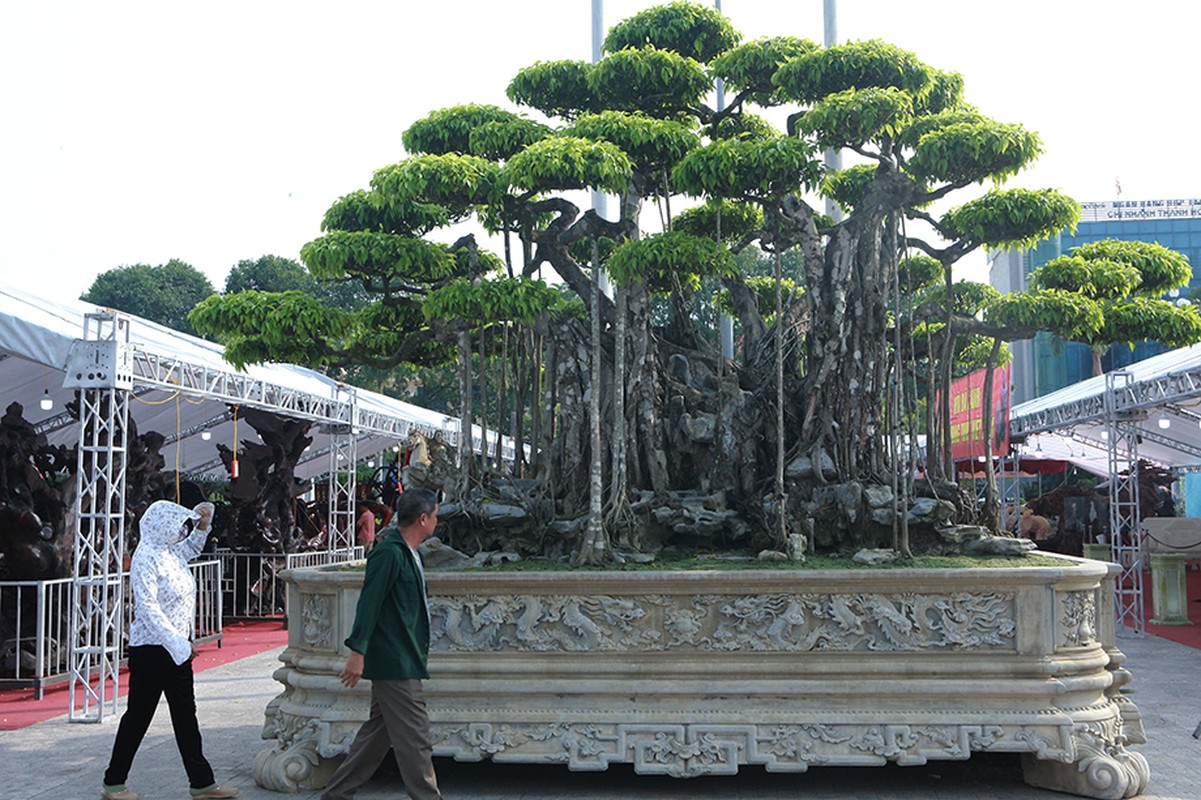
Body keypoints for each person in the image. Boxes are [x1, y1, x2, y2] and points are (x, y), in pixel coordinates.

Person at [100, 500, 239, 800]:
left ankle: (202, 782)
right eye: (179, 526)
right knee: (139, 716)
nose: (183, 532)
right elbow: (148, 608)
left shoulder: (171, 551)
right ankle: (113, 781)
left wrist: (203, 525)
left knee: (186, 715)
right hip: (152, 649)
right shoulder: (145, 557)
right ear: (161, 526)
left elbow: (192, 549)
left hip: (176, 647)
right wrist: (175, 641)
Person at [321, 488, 442, 800]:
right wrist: (357, 653)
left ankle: (336, 794)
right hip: (395, 660)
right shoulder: (389, 553)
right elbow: (369, 604)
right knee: (416, 738)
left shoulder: (407, 553)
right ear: (424, 519)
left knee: (377, 734)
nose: (437, 522)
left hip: (404, 656)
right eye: (436, 517)